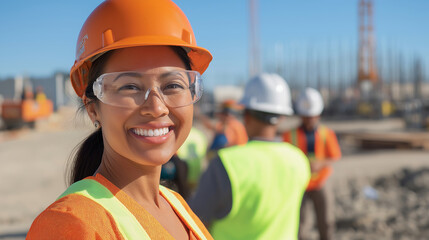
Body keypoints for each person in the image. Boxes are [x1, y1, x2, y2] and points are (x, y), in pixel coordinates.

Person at [26, 0, 214, 239]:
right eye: (130, 87)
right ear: (92, 107)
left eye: (173, 85)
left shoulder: (176, 205)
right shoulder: (70, 225)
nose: (156, 107)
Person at [188, 73, 311, 240]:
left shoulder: (225, 163)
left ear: (246, 115)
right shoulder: (299, 160)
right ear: (282, 117)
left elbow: (195, 222)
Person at [282, 88, 342, 240]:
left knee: (326, 220)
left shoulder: (326, 134)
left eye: (312, 116)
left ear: (318, 114)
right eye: (306, 116)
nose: (309, 119)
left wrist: (320, 164)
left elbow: (334, 156)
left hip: (321, 182)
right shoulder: (290, 135)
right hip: (299, 184)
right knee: (300, 223)